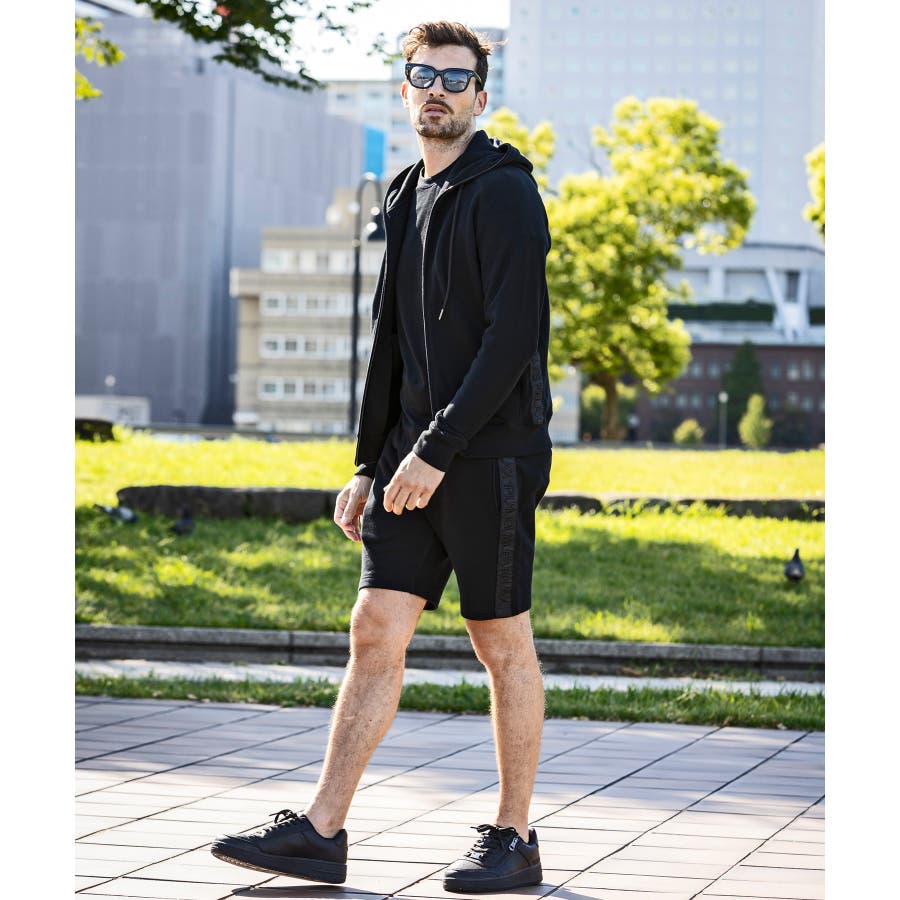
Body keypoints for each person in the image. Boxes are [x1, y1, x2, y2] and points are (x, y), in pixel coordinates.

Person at [211, 20, 553, 894]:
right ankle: (321, 831)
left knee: (498, 639)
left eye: (455, 77)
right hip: (408, 459)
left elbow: (513, 337)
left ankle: (515, 835)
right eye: (422, 75)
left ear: (481, 95)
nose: (437, 89)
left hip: (490, 454)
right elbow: (390, 342)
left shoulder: (506, 192)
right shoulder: (404, 192)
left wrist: (438, 449)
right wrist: (369, 463)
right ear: (404, 91)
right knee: (373, 630)